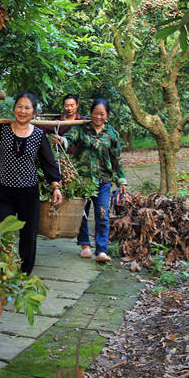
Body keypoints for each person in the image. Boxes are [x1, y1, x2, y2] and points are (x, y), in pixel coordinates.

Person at [0, 93, 63, 274]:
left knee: (28, 234)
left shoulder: (38, 135)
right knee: (3, 231)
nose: (22, 111)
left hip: (28, 193)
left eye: (27, 108)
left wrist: (56, 187)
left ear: (34, 112)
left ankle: (24, 273)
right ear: (14, 108)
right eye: (19, 106)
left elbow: (49, 163)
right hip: (4, 192)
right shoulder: (3, 130)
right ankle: (2, 270)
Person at [63, 98, 127, 263]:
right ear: (90, 113)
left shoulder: (112, 134)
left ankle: (101, 250)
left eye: (102, 114)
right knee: (81, 214)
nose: (98, 117)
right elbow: (70, 138)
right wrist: (62, 141)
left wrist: (121, 180)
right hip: (82, 181)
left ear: (107, 115)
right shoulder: (82, 129)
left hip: (103, 181)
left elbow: (117, 159)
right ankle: (85, 246)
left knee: (102, 214)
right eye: (95, 113)